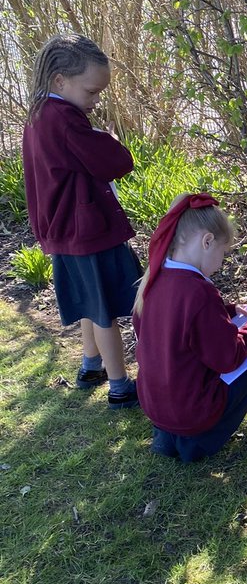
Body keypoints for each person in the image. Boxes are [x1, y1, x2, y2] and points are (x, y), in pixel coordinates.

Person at [22, 34, 141, 408]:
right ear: (60, 80)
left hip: (63, 228)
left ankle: (92, 365)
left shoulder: (40, 114)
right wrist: (109, 139)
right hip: (87, 230)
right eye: (91, 92)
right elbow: (115, 163)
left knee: (92, 302)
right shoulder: (66, 121)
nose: (95, 101)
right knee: (105, 311)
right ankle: (120, 386)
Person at [132, 193, 247, 462]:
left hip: (158, 408)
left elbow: (175, 327)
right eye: (223, 252)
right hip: (195, 415)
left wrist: (227, 311)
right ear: (207, 242)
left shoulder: (155, 279)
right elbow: (228, 358)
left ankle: (170, 438)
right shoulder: (199, 291)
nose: (221, 263)